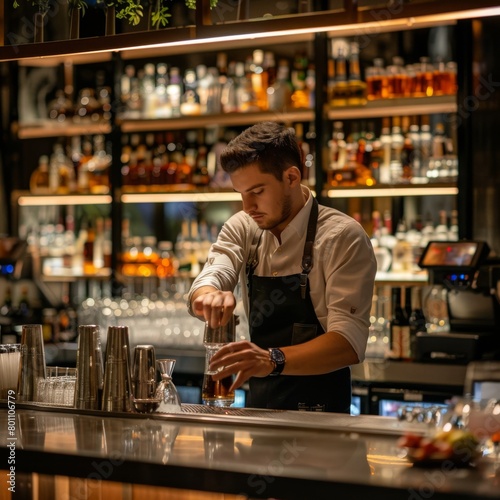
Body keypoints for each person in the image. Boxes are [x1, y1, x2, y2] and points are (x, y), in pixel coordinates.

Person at [188, 121, 377, 413]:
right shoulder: (244, 226)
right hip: (260, 414)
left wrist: (270, 360)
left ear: (291, 177)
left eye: (257, 191)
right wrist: (209, 293)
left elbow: (348, 343)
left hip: (324, 421)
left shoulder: (342, 236)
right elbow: (216, 270)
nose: (247, 206)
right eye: (241, 194)